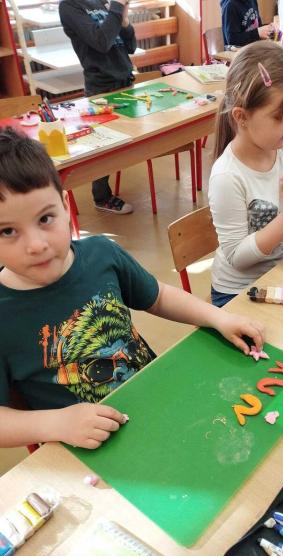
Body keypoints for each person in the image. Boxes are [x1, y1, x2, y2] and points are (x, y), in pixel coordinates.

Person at [0, 128, 265, 450]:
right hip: (91, 449)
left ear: (65, 206)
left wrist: (217, 317)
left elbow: (158, 296)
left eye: (45, 219)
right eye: (8, 231)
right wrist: (55, 423)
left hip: (159, 401)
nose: (36, 245)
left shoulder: (102, 254)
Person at [209, 41, 283, 308]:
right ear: (242, 117)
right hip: (236, 293)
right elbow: (237, 258)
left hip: (280, 276)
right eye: (280, 116)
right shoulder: (227, 176)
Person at [59, 0, 136, 215]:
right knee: (104, 148)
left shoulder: (101, 2)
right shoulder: (69, 6)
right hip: (102, 88)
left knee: (127, 142)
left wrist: (125, 21)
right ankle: (101, 197)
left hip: (126, 81)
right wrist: (117, 7)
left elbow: (130, 46)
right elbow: (101, 42)